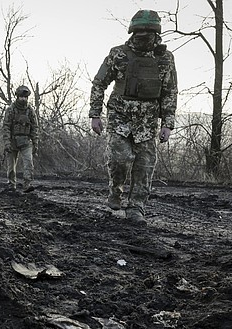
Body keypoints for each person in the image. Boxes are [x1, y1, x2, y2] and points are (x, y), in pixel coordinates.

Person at [89, 9, 178, 223]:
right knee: (119, 159)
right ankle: (115, 192)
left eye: (147, 31)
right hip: (120, 118)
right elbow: (99, 83)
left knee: (145, 165)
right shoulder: (118, 54)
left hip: (147, 122)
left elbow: (170, 91)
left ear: (156, 33)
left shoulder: (165, 58)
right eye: (139, 31)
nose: (142, 35)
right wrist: (95, 114)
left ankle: (136, 207)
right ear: (132, 31)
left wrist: (168, 124)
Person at [1, 85, 39, 192]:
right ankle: (11, 184)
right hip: (13, 141)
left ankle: (27, 184)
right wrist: (7, 142)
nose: (23, 99)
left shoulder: (30, 111)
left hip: (26, 141)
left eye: (25, 97)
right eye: (21, 97)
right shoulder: (11, 110)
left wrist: (35, 142)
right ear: (17, 97)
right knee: (11, 165)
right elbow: (6, 126)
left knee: (28, 163)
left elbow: (34, 128)